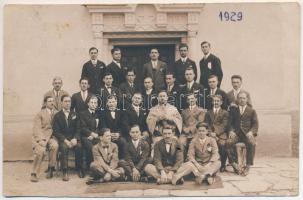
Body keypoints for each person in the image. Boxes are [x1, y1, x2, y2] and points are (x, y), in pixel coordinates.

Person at [52, 95, 84, 181]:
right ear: (62, 103)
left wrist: (75, 138)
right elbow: (56, 131)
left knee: (79, 147)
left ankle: (79, 168)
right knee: (63, 148)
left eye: (69, 101)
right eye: (65, 101)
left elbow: (78, 129)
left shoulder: (75, 114)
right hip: (63, 139)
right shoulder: (57, 116)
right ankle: (65, 171)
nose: (67, 103)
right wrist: (65, 140)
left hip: (73, 138)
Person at [226, 91, 259, 176]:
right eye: (240, 98)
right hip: (236, 134)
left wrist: (251, 132)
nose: (242, 100)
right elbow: (229, 123)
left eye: (243, 98)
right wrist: (231, 131)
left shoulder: (252, 111)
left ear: (247, 99)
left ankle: (248, 166)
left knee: (251, 143)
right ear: (237, 99)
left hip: (247, 134)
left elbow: (255, 124)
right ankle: (234, 164)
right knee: (228, 143)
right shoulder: (233, 110)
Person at [30, 96, 58, 182]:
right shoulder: (40, 114)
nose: (52, 102)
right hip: (41, 137)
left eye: (53, 101)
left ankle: (51, 168)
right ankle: (34, 173)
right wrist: (40, 140)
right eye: (49, 101)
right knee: (41, 150)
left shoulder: (57, 113)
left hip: (52, 137)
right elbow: (36, 128)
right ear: (45, 103)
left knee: (55, 145)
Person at [204, 95, 229, 172]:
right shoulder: (208, 112)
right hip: (210, 134)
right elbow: (206, 124)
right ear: (212, 102)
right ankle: (211, 163)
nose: (216, 102)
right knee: (207, 144)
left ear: (221, 102)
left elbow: (224, 125)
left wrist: (216, 133)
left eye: (218, 101)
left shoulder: (225, 113)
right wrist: (210, 133)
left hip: (221, 134)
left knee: (222, 144)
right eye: (214, 101)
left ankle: (222, 164)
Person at [100, 95, 127, 159]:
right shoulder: (103, 113)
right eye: (110, 102)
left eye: (113, 102)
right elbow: (103, 125)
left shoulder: (121, 112)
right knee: (105, 142)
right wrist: (109, 134)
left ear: (116, 102)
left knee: (123, 141)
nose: (112, 104)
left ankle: (121, 160)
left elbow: (123, 126)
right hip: (107, 135)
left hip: (118, 135)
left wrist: (118, 134)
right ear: (107, 103)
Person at [179, 93, 206, 158]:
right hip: (185, 133)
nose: (191, 100)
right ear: (187, 101)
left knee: (194, 143)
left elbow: (200, 122)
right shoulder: (184, 111)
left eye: (192, 98)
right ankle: (182, 160)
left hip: (196, 132)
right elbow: (181, 122)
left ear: (196, 99)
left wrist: (190, 129)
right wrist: (184, 129)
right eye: (189, 99)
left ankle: (192, 159)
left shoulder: (201, 110)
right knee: (180, 142)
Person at [78, 95, 101, 169]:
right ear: (88, 104)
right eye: (91, 102)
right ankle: (90, 166)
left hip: (95, 136)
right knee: (91, 147)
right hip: (85, 136)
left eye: (95, 103)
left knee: (101, 145)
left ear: (97, 104)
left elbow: (98, 127)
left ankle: (100, 165)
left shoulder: (98, 114)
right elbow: (82, 127)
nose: (93, 104)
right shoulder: (82, 113)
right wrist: (90, 134)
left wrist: (95, 134)